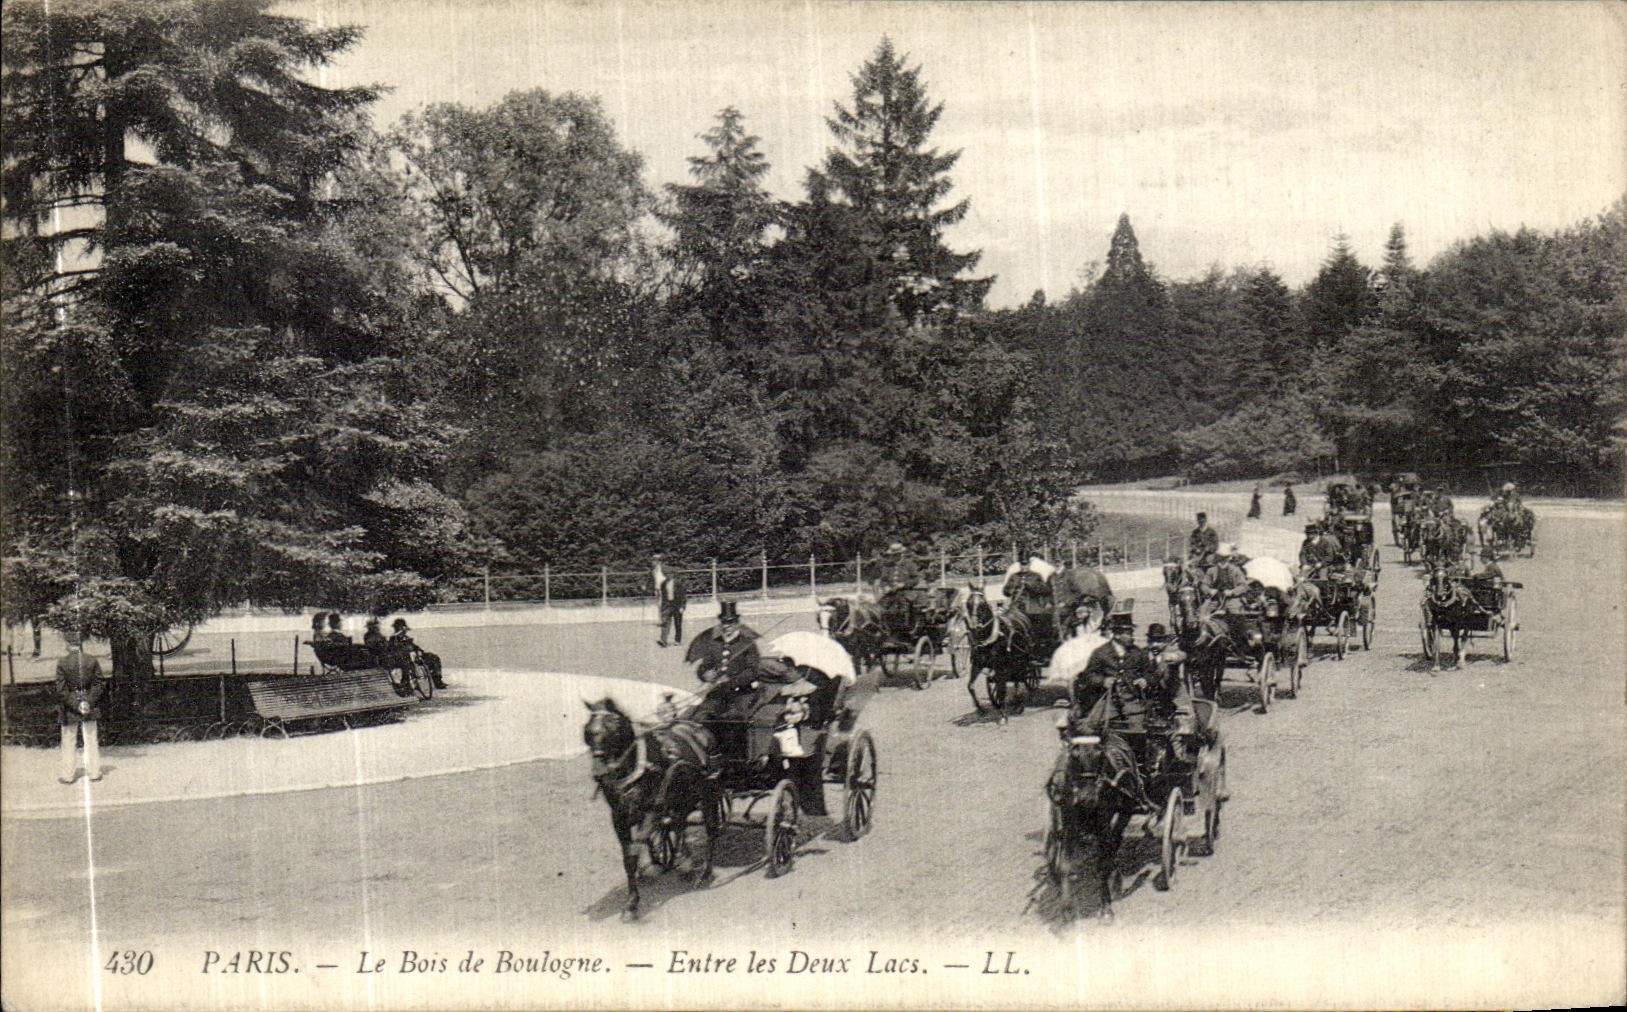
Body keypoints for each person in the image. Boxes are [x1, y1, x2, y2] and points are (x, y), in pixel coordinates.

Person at [1071, 613, 1156, 724]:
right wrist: (1103, 681)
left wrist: (1145, 679)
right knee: (1094, 727)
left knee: (1138, 729)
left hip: (1133, 701)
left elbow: (1149, 673)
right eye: (1128, 633)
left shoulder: (1137, 653)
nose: (1132, 637)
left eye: (1131, 632)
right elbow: (1088, 675)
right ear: (1117, 634)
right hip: (1107, 701)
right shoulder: (1101, 653)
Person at [55, 631, 110, 784]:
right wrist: (87, 702)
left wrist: (76, 704)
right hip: (89, 704)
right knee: (91, 739)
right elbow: (99, 684)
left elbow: (61, 690)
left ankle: (68, 775)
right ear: (81, 645)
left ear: (68, 645)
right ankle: (94, 773)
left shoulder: (62, 663)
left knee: (68, 741)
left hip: (70, 707)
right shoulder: (91, 661)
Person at [390, 617, 445, 689]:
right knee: (407, 664)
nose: (403, 631)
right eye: (400, 628)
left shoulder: (406, 638)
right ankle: (407, 684)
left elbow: (415, 647)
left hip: (415, 656)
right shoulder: (393, 639)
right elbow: (394, 650)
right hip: (404, 658)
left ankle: (438, 680)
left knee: (434, 657)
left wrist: (419, 651)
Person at [652, 554, 687, 648]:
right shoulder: (663, 584)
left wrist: (683, 607)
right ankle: (663, 640)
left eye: (669, 574)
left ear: (673, 575)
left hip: (677, 605)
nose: (667, 576)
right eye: (666, 574)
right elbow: (663, 596)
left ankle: (677, 640)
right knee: (666, 622)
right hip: (668, 605)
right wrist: (662, 606)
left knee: (678, 623)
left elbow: (683, 596)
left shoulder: (678, 584)